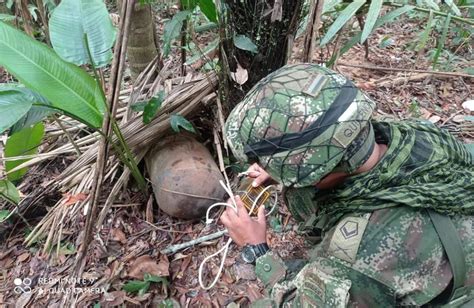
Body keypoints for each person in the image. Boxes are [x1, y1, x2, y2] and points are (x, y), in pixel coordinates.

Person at [220, 63, 474, 307]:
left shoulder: (358, 255)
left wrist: (257, 250)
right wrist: (285, 171)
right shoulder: (415, 136)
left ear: (318, 171)